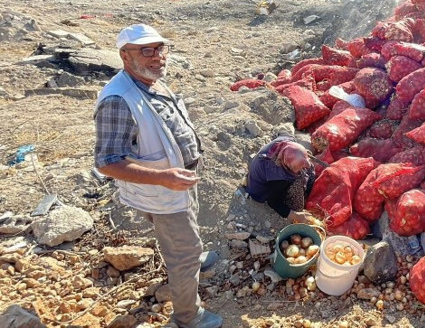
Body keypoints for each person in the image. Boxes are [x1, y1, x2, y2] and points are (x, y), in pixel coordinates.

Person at [93, 24, 222, 328]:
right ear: (125, 56)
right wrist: (163, 177)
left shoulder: (149, 80)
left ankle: (192, 258)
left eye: (160, 48)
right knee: (183, 250)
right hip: (162, 191)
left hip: (175, 182)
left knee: (185, 231)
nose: (157, 57)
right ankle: (188, 317)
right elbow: (107, 162)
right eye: (146, 50)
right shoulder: (118, 100)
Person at [245, 135, 319, 224]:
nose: (301, 170)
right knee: (299, 181)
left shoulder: (286, 144)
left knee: (308, 166)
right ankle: (296, 207)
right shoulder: (278, 177)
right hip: (261, 191)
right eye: (297, 169)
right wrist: (295, 215)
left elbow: (297, 154)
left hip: (261, 170)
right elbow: (273, 201)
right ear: (287, 166)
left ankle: (308, 192)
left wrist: (303, 154)